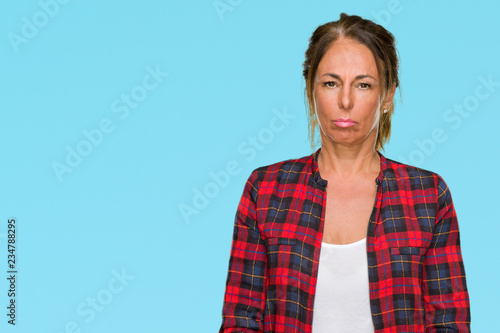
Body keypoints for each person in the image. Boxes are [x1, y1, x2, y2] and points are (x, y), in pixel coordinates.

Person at [219, 13, 470, 333]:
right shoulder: (266, 190)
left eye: (363, 84)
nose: (346, 101)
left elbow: (449, 322)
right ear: (311, 90)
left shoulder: (428, 194)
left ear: (388, 96)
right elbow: (241, 319)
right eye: (331, 83)